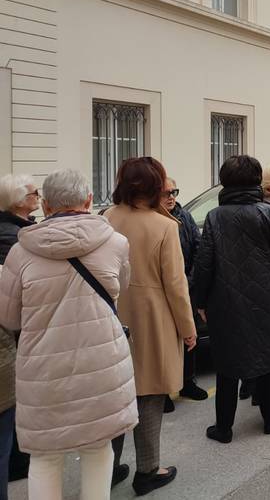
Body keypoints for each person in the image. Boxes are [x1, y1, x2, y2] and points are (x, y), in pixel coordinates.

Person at [0, 168, 137, 500]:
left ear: (46, 206)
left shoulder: (20, 252)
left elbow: (10, 317)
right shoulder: (115, 243)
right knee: (99, 448)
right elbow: (123, 288)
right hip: (102, 362)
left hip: (43, 368)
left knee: (45, 456)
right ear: (89, 200)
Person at [104, 157, 196, 496]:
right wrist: (188, 328)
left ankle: (108, 467)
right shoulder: (164, 226)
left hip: (112, 314)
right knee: (149, 393)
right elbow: (175, 284)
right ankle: (148, 468)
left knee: (114, 394)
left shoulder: (108, 218)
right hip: (152, 317)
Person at [192, 155, 270, 444]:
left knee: (226, 364)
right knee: (268, 356)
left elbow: (205, 263)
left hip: (224, 299)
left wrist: (201, 300)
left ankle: (223, 427)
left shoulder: (215, 216)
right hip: (267, 294)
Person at [0, 174, 38, 493]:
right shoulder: (12, 236)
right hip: (15, 329)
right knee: (14, 397)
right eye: (33, 193)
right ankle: (16, 460)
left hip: (16, 328)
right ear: (17, 202)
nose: (38, 197)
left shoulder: (18, 229)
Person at [161, 179, 207, 409]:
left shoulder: (184, 216)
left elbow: (198, 248)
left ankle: (187, 381)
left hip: (186, 285)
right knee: (165, 340)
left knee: (190, 336)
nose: (171, 197)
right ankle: (162, 392)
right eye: (165, 193)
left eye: (174, 192)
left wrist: (189, 278)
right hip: (161, 290)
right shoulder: (154, 219)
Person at [0, 175, 39, 264]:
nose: (39, 196)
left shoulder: (22, 227)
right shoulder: (14, 235)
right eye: (35, 193)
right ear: (19, 202)